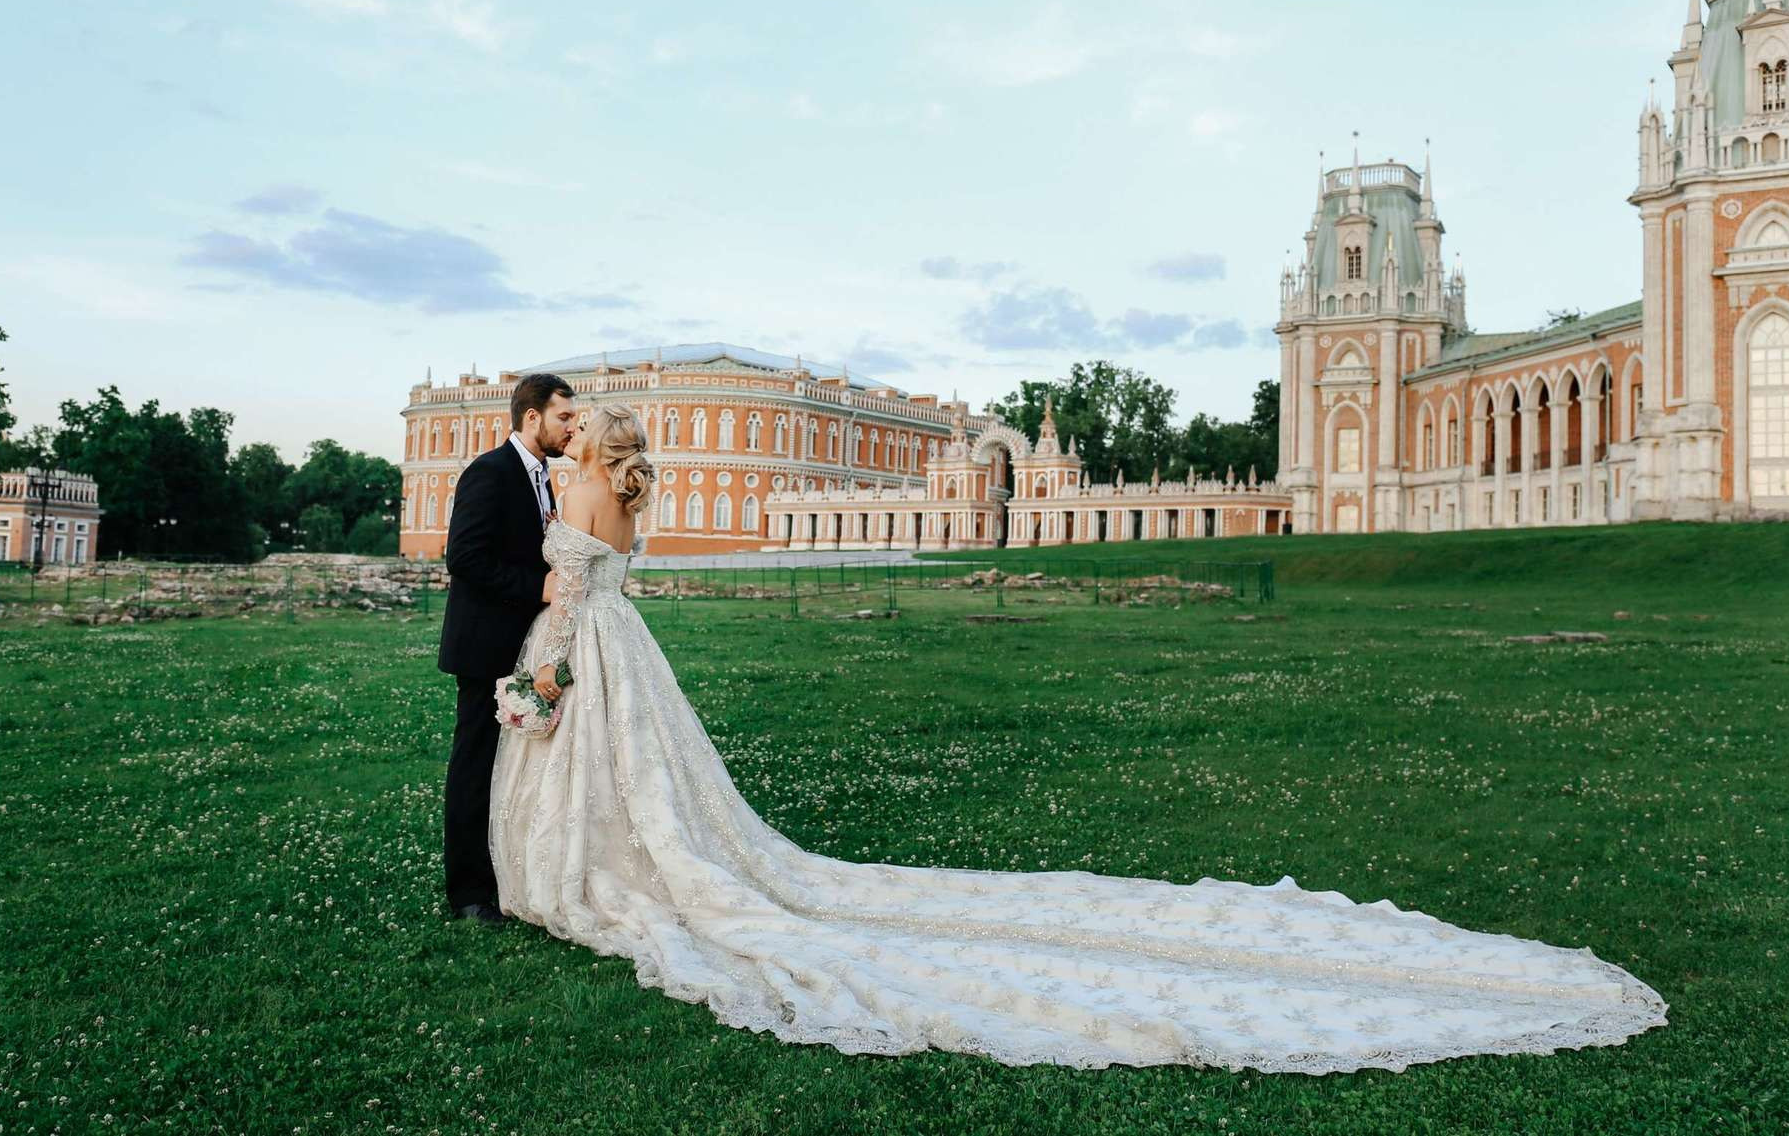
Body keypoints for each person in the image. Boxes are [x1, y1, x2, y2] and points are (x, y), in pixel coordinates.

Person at [488, 401, 1668, 1071]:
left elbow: (564, 580)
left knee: (614, 782)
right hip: (620, 645)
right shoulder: (630, 500)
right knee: (654, 782)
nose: (575, 436)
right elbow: (605, 567)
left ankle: (595, 875)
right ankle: (640, 859)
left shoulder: (575, 497)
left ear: (591, 448)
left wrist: (536, 655)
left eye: (580, 428)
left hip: (581, 638)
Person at [436, 372, 577, 927]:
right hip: (484, 646)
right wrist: (536, 587)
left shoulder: (542, 477)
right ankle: (468, 894)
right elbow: (464, 558)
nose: (573, 427)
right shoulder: (489, 472)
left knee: (512, 766)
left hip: (526, 644)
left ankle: (508, 875)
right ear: (532, 417)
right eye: (564, 417)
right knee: (475, 764)